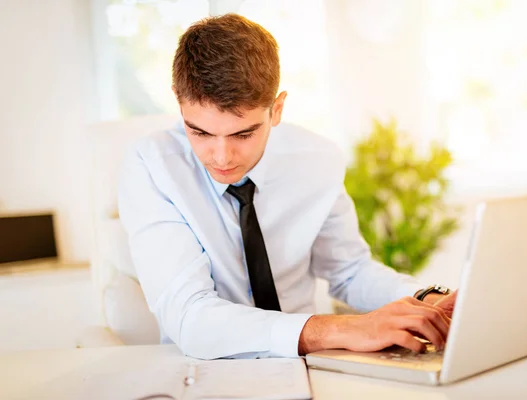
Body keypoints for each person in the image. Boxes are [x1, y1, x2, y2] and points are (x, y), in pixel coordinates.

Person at [118, 13, 457, 360]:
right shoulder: (152, 167)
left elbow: (350, 272)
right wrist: (345, 329)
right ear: (178, 102)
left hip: (310, 367)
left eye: (243, 133)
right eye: (200, 132)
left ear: (276, 109)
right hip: (203, 373)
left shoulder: (316, 160)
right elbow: (190, 317)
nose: (221, 156)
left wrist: (429, 300)